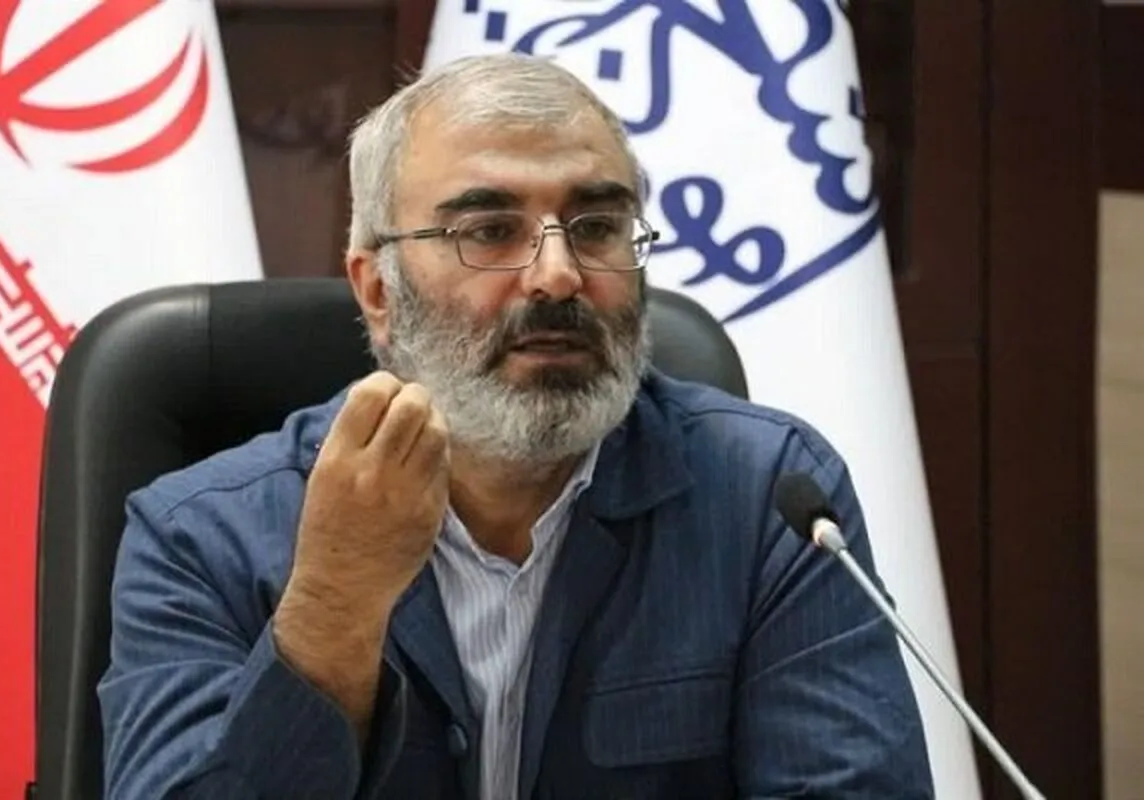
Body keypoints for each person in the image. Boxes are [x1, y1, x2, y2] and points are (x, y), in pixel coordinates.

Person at [98, 53, 933, 799]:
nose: (558, 275)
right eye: (490, 232)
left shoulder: (768, 502)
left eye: (597, 227)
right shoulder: (199, 534)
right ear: (378, 290)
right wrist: (332, 605)